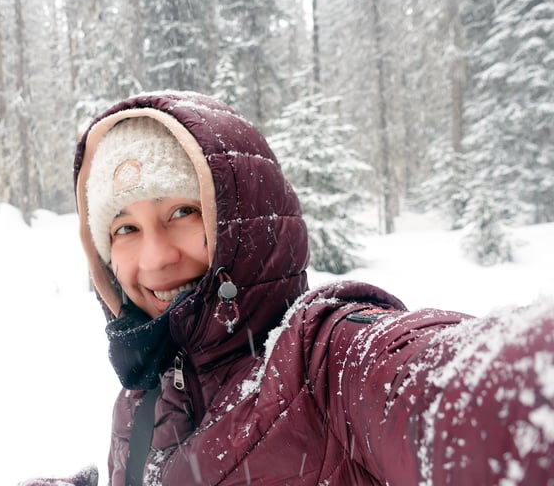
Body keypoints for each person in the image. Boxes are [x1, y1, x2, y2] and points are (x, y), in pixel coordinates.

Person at [31, 91, 554, 486]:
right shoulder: (140, 398)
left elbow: (461, 392)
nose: (156, 257)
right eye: (125, 229)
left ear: (245, 221)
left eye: (183, 212)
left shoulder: (327, 360)